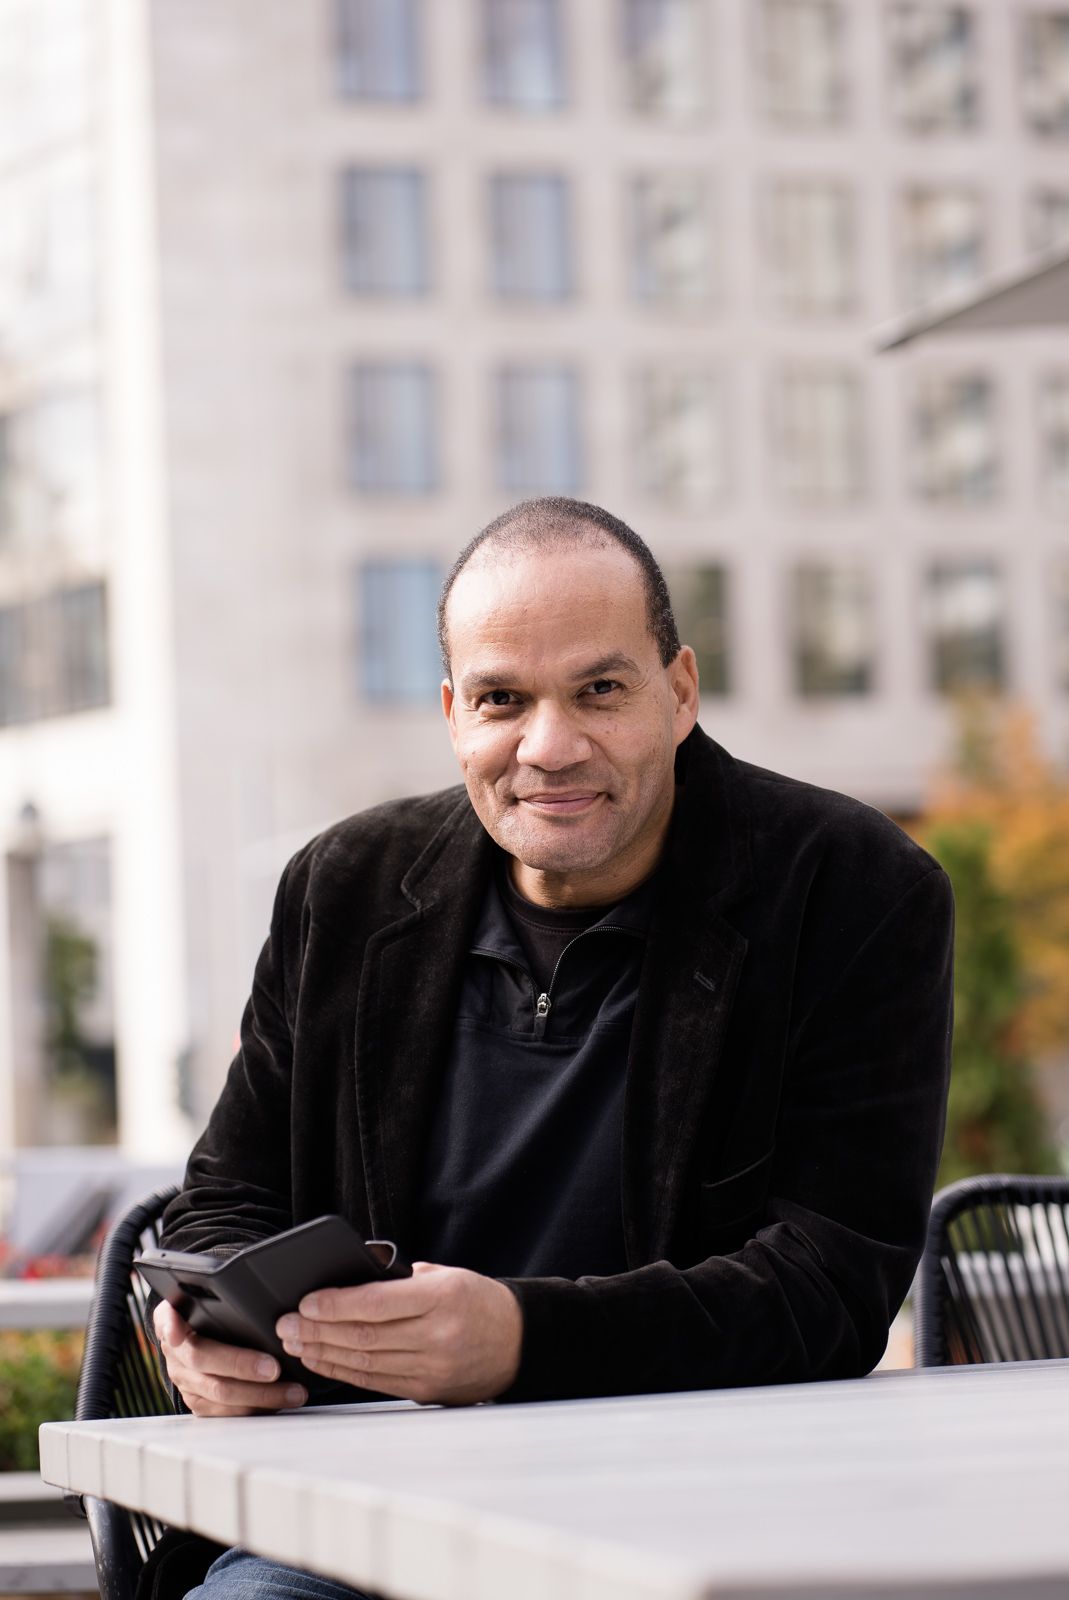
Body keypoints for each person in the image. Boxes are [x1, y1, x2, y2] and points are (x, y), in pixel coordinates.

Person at [151, 497, 953, 1600]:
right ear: (452, 713)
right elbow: (224, 1202)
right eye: (502, 700)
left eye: (599, 690)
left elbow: (829, 1284)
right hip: (356, 1516)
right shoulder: (343, 887)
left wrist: (524, 1339)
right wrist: (206, 1338)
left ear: (679, 691)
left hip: (706, 1508)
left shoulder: (851, 889)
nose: (549, 747)